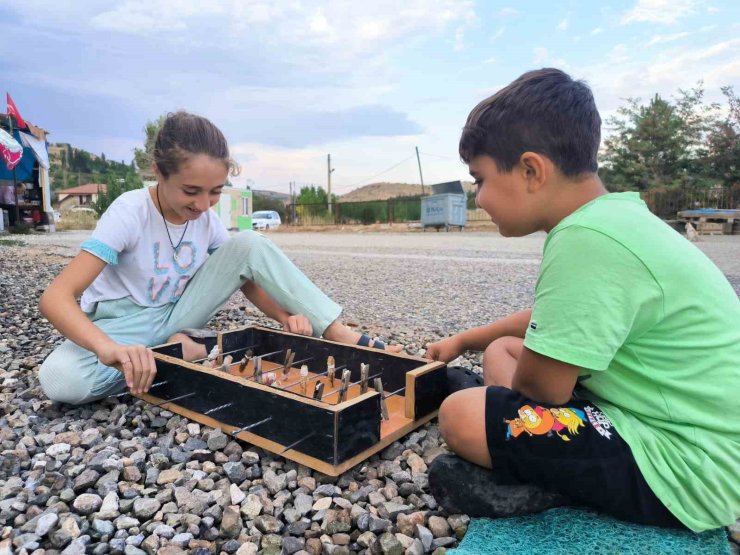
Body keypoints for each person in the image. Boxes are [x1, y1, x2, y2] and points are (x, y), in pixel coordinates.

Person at [425, 68, 740, 533]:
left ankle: (552, 482)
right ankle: (544, 459)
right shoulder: (616, 219)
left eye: (481, 179)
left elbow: (544, 388)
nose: (480, 197)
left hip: (687, 466)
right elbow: (558, 320)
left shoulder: (584, 238)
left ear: (531, 170)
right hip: (667, 420)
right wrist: (466, 340)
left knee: (461, 416)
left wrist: (496, 399)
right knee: (500, 351)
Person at [38, 111, 398, 405]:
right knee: (61, 381)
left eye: (214, 192)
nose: (201, 204)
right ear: (159, 171)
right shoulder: (129, 211)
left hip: (177, 312)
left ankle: (337, 331)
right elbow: (55, 298)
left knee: (249, 243)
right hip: (123, 324)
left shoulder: (206, 219)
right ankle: (181, 354)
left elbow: (244, 268)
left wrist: (283, 316)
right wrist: (108, 348)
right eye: (190, 191)